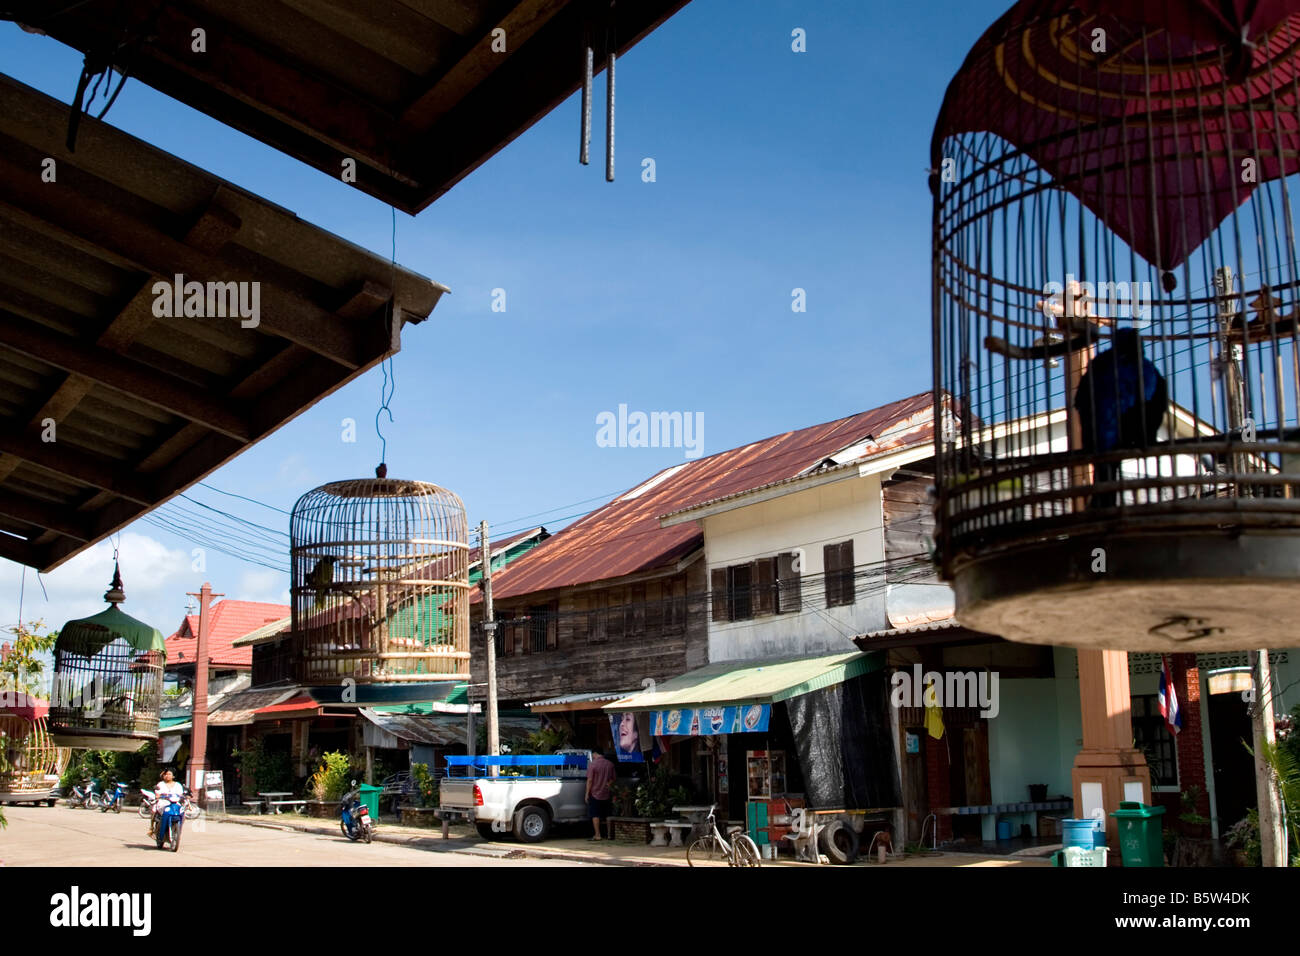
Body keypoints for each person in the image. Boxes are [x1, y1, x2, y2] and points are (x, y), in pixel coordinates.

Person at [585, 748, 616, 841]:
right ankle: (610, 835)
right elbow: (613, 779)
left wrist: (587, 793)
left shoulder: (592, 764)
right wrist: (608, 785)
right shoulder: (610, 764)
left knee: (595, 814)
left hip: (595, 793)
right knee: (608, 814)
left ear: (595, 753)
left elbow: (590, 780)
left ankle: (597, 835)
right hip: (606, 793)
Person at [150, 769, 184, 835]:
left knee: (182, 812)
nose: (167, 776)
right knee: (154, 810)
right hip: (163, 803)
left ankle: (178, 829)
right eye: (166, 774)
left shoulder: (178, 785)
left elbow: (181, 794)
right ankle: (152, 828)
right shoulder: (160, 784)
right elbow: (157, 794)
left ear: (173, 776)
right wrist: (158, 795)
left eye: (169, 774)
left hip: (175, 803)